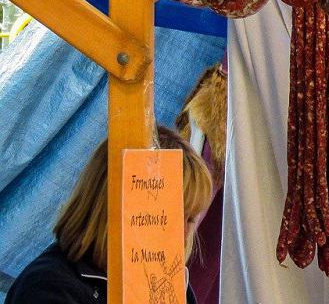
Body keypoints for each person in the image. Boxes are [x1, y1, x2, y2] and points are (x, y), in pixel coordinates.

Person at [5, 126, 213, 304]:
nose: (182, 233)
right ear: (117, 204)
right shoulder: (47, 288)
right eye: (172, 215)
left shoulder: (169, 285)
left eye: (190, 219)